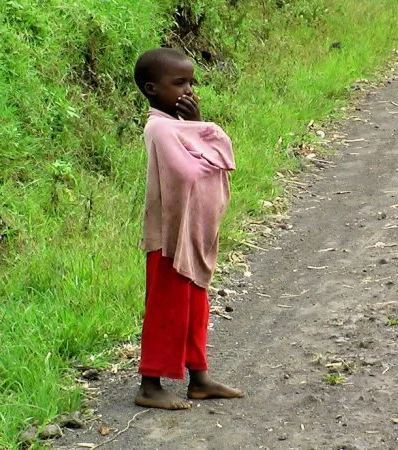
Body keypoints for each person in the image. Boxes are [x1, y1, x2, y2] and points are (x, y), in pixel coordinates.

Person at [132, 48, 245, 410]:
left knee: (196, 308)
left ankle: (199, 379)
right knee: (167, 310)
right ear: (152, 89)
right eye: (179, 83)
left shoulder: (181, 126)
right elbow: (189, 173)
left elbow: (224, 158)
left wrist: (197, 126)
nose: (189, 91)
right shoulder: (160, 128)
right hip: (169, 237)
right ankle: (150, 384)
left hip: (193, 235)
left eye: (191, 83)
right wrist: (199, 134)